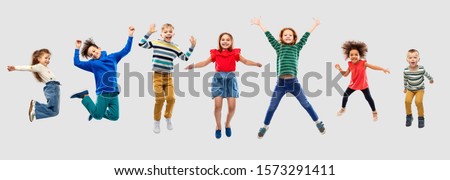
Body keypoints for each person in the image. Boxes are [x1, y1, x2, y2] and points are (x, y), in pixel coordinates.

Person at [251, 17, 325, 139]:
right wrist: (260, 24)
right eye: (285, 35)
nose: (288, 36)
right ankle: (265, 126)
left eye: (290, 35)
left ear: (294, 38)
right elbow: (268, 36)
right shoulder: (278, 47)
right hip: (280, 84)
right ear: (281, 37)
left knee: (305, 103)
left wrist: (315, 25)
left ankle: (318, 122)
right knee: (272, 106)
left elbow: (306, 36)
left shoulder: (297, 47)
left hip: (294, 83)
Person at [185, 32, 262, 139]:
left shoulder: (235, 53)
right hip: (218, 80)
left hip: (231, 79)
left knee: (232, 107)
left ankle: (227, 123)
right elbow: (204, 63)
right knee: (218, 106)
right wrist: (192, 66)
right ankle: (218, 126)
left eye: (227, 40)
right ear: (220, 42)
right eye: (223, 40)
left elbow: (245, 61)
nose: (225, 41)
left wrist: (255, 64)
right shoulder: (215, 54)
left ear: (231, 42)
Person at [139, 23, 196, 134]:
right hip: (157, 76)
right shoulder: (156, 42)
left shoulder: (175, 47)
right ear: (161, 34)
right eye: (166, 32)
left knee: (171, 99)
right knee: (160, 99)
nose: (168, 33)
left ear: (173, 34)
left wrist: (192, 47)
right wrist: (149, 33)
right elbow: (141, 44)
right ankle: (156, 121)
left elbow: (185, 57)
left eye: (170, 32)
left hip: (168, 77)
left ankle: (168, 117)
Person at [70, 26, 135, 121]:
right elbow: (77, 63)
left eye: (94, 51)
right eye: (91, 55)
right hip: (103, 94)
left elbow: (126, 50)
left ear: (99, 48)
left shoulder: (113, 57)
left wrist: (130, 36)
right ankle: (85, 96)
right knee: (97, 116)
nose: (93, 54)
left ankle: (95, 111)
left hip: (114, 94)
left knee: (114, 116)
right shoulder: (93, 64)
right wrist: (77, 49)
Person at [335, 41, 390, 121]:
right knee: (345, 95)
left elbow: (373, 66)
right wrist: (340, 69)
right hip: (353, 85)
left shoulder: (363, 63)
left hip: (363, 85)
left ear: (360, 55)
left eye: (356, 54)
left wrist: (383, 69)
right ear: (349, 56)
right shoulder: (350, 64)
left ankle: (374, 112)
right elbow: (345, 75)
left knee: (368, 98)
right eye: (351, 55)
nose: (353, 56)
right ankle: (343, 108)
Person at [7, 49, 60, 122]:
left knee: (55, 112)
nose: (48, 60)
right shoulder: (39, 66)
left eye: (49, 58)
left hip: (55, 88)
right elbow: (28, 68)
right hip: (51, 87)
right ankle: (35, 105)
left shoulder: (45, 68)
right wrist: (15, 68)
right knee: (54, 111)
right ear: (39, 59)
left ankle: (35, 113)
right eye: (46, 58)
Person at [403, 49, 433, 128]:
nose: (412, 59)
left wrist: (431, 79)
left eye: (415, 57)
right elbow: (405, 79)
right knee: (407, 101)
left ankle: (421, 118)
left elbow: (427, 74)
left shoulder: (421, 69)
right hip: (410, 89)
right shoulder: (406, 70)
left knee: (418, 102)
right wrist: (405, 87)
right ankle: (409, 116)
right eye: (410, 58)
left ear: (418, 59)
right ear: (407, 60)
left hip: (420, 89)